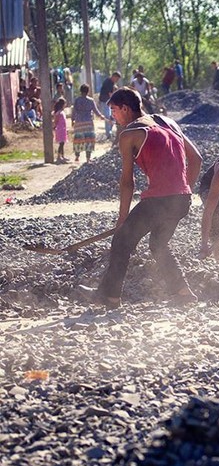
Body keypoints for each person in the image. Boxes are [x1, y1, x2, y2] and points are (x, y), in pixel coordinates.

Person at [77, 87, 203, 309]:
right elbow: (197, 159)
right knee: (158, 244)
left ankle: (110, 297)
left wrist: (122, 219)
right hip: (182, 199)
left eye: (114, 110)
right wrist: (184, 191)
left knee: (121, 241)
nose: (113, 116)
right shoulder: (168, 122)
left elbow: (127, 182)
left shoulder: (130, 134)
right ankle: (183, 292)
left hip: (159, 200)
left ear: (125, 109)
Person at [72, 84, 106, 162]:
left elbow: (74, 111)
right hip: (88, 123)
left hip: (79, 123)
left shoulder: (77, 100)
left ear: (80, 91)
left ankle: (77, 156)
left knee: (78, 139)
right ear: (88, 91)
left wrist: (72, 120)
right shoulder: (90, 100)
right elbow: (96, 111)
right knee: (89, 140)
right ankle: (88, 158)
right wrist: (101, 116)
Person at [99, 71, 122, 141]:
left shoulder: (112, 83)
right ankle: (108, 134)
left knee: (113, 117)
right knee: (108, 116)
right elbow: (110, 94)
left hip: (108, 101)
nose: (117, 80)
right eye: (117, 79)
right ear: (114, 76)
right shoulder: (108, 82)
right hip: (105, 101)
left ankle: (109, 131)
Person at [53, 97, 68, 164]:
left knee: (63, 143)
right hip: (60, 129)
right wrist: (54, 126)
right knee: (61, 143)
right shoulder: (59, 113)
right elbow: (56, 121)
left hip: (63, 129)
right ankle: (59, 156)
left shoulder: (62, 112)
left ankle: (62, 156)